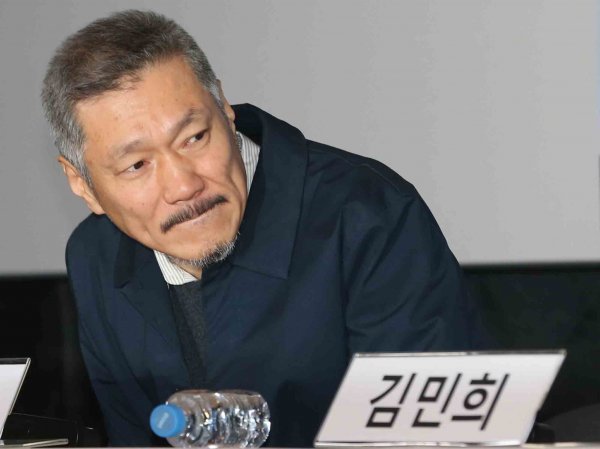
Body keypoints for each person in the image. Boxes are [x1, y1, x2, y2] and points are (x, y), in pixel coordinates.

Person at [42, 9, 484, 447]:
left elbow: (433, 436)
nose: (183, 185)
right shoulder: (95, 256)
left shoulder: (366, 215)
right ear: (82, 185)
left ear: (224, 107)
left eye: (195, 138)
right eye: (138, 165)